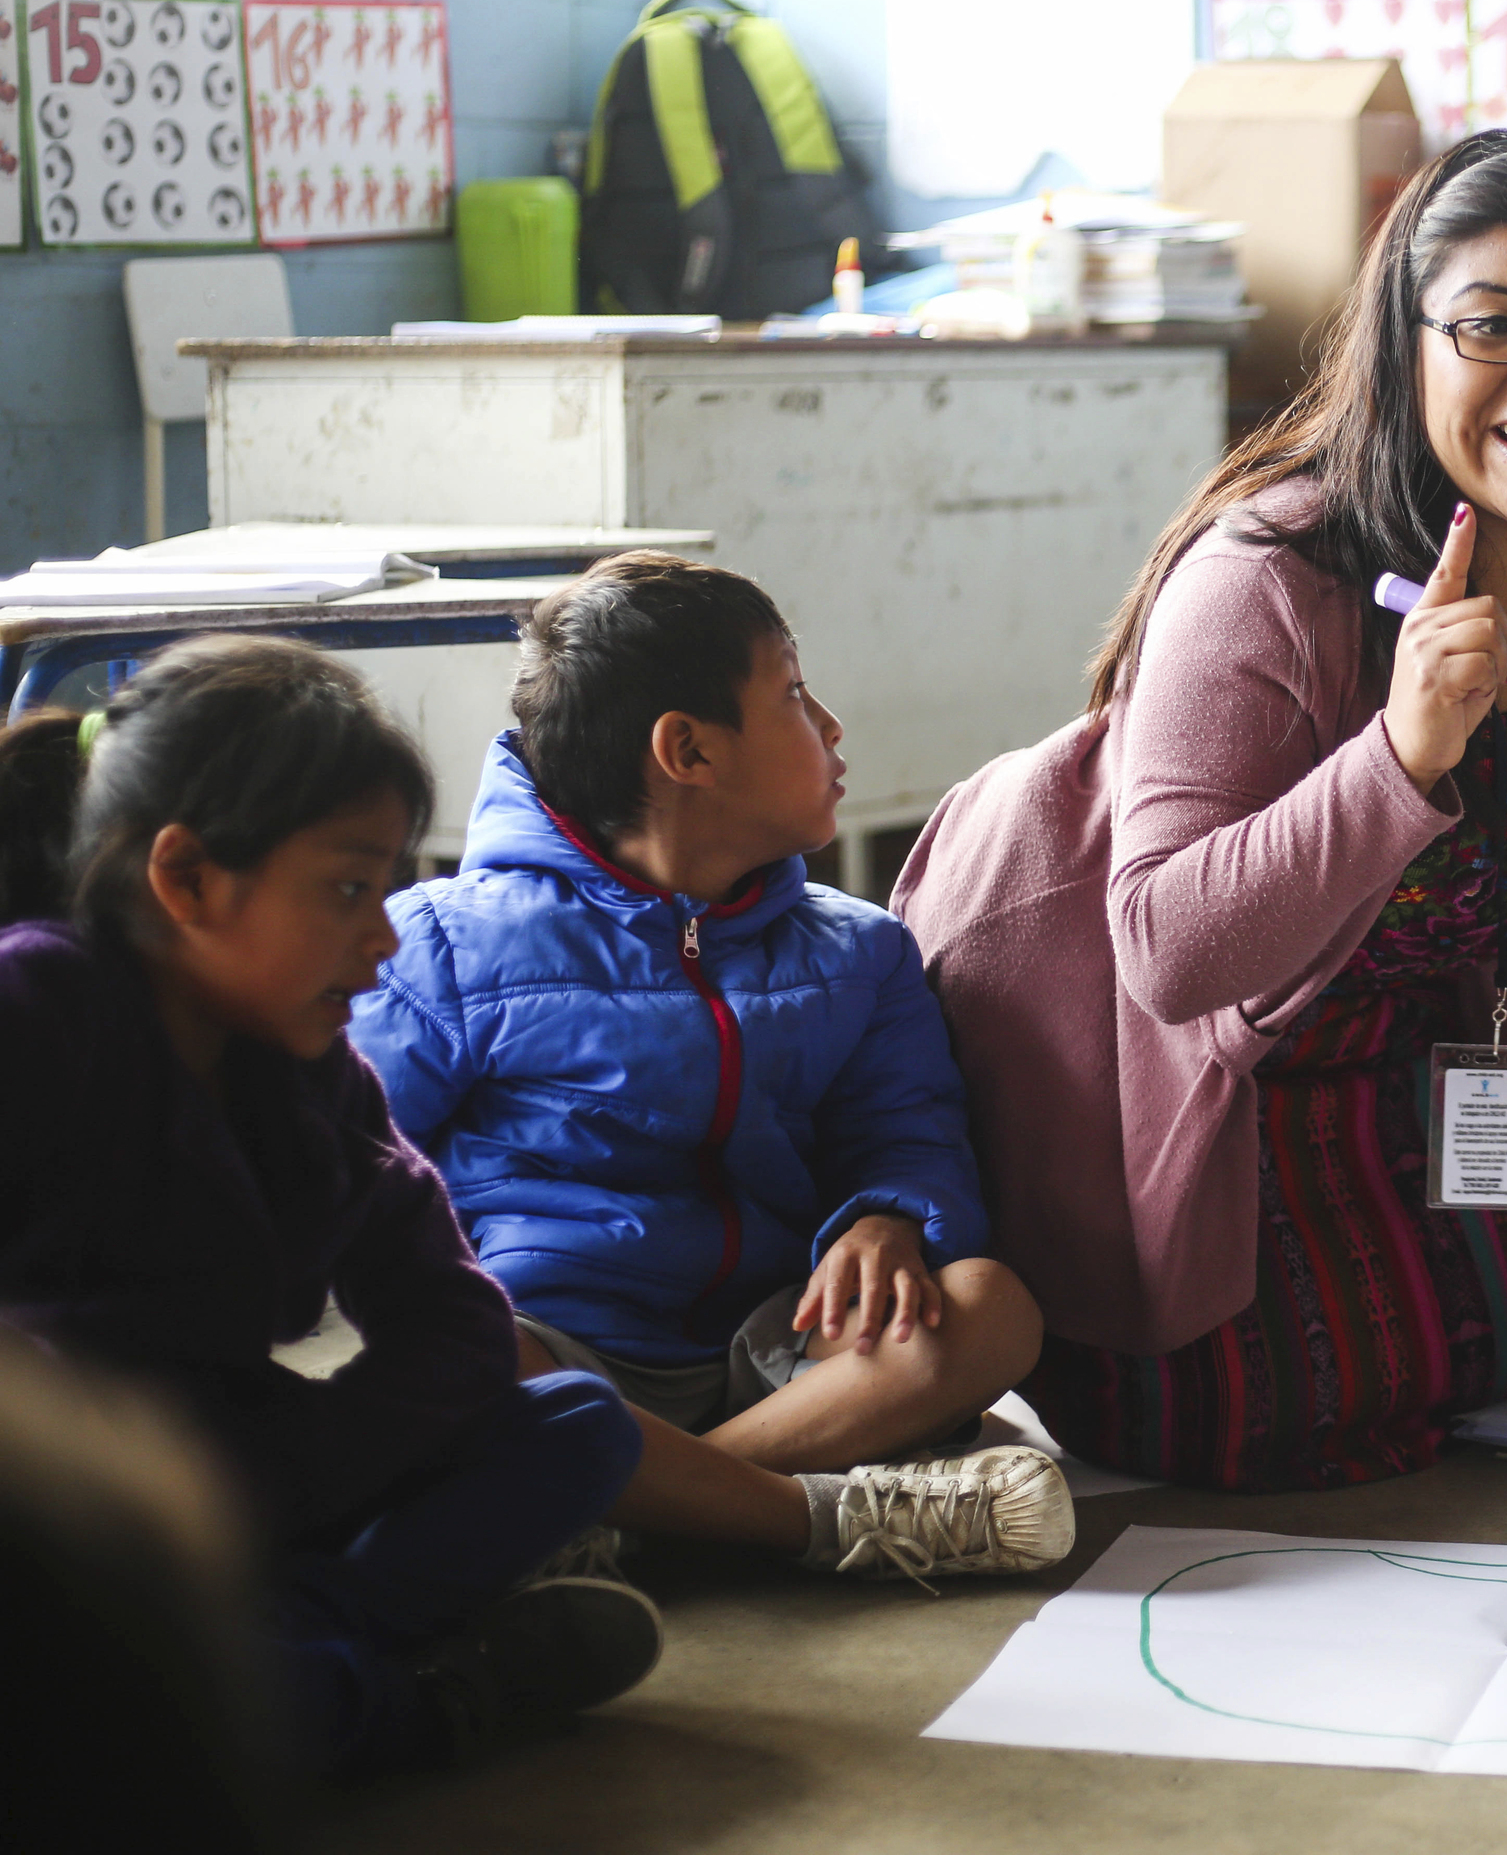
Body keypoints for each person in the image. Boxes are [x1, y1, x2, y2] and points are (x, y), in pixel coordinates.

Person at [895, 128, 1507, 1492]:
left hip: (1407, 1053)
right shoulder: (1270, 578)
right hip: (1150, 1068)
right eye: (1493, 327)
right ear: (1405, 350)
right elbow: (1170, 956)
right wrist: (1399, 760)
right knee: (1263, 1415)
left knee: (1486, 1356)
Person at [0, 637, 659, 1777]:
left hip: (241, 1491)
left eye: (393, 883)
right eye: (349, 887)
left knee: (579, 1423)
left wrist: (261, 1489)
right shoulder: (35, 1008)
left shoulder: (306, 1067)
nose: (383, 935)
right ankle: (425, 1696)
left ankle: (274, 1637)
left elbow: (453, 1324)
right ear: (188, 877)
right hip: (59, 1518)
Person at [349, 555, 1071, 1586]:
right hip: (561, 1350)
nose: (830, 725)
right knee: (456, 1355)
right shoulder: (444, 948)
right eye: (790, 692)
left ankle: (630, 1513)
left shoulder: (859, 950)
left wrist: (889, 1217)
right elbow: (349, 1170)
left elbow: (908, 1129)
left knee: (990, 1305)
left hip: (775, 1361)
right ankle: (800, 1515)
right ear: (687, 749)